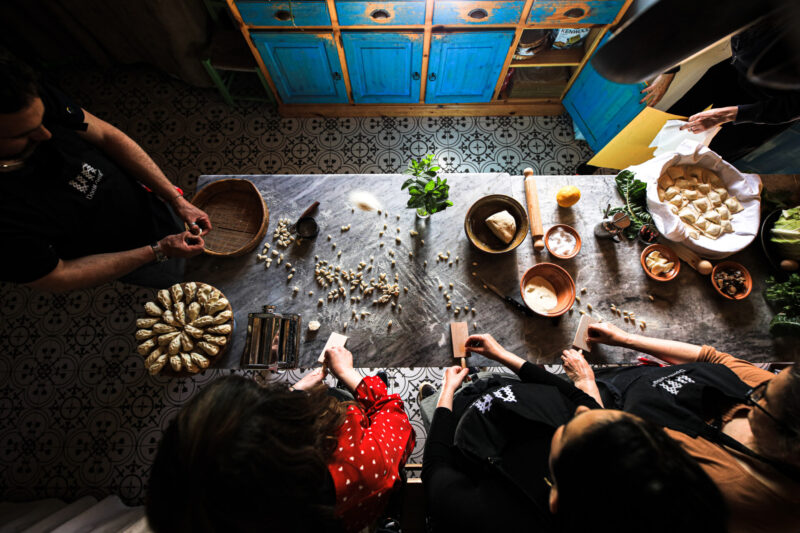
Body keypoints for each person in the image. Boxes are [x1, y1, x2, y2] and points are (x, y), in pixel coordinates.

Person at [421, 333, 727, 533]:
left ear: (556, 496)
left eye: (569, 428)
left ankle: (435, 400)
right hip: (511, 403)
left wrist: (447, 392)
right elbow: (576, 396)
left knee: (435, 410)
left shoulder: (482, 516)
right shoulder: (608, 452)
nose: (583, 409)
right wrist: (502, 355)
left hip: (465, 432)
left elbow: (436, 465)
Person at [146, 346, 415, 533]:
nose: (272, 390)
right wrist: (347, 372)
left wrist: (296, 391)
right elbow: (395, 416)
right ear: (290, 440)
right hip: (362, 496)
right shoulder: (357, 466)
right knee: (360, 399)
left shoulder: (211, 514)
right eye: (269, 399)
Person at [562, 323, 800, 533]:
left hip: (604, 409)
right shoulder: (785, 390)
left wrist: (585, 384)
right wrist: (625, 339)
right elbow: (712, 358)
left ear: (791, 447)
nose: (754, 394)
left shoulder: (727, 492)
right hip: (641, 377)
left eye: (763, 399)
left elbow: (609, 451)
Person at [0, 58, 212, 291]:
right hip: (123, 254)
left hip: (147, 207)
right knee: (182, 278)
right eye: (25, 134)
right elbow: (57, 276)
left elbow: (105, 135)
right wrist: (158, 251)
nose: (46, 135)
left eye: (43, 120)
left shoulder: (21, 94)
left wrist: (175, 198)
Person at [639, 17, 800, 162]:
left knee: (700, 159)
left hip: (764, 109)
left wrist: (728, 115)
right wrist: (669, 68)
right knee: (662, 131)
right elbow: (698, 18)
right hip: (732, 72)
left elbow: (794, 107)